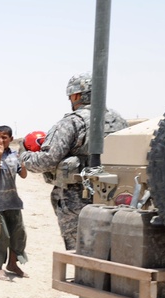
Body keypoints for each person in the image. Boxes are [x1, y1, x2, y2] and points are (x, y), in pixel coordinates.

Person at [19, 72, 128, 250]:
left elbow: (47, 160)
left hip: (78, 199)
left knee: (81, 248)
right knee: (113, 248)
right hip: (116, 195)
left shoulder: (72, 122)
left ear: (76, 95)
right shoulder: (120, 121)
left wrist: (24, 156)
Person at [0, 126, 28, 281]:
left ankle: (13, 264)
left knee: (19, 234)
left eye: (4, 137)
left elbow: (23, 175)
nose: (0, 140)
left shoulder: (15, 155)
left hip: (13, 200)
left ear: (11, 139)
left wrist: (24, 162)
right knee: (0, 235)